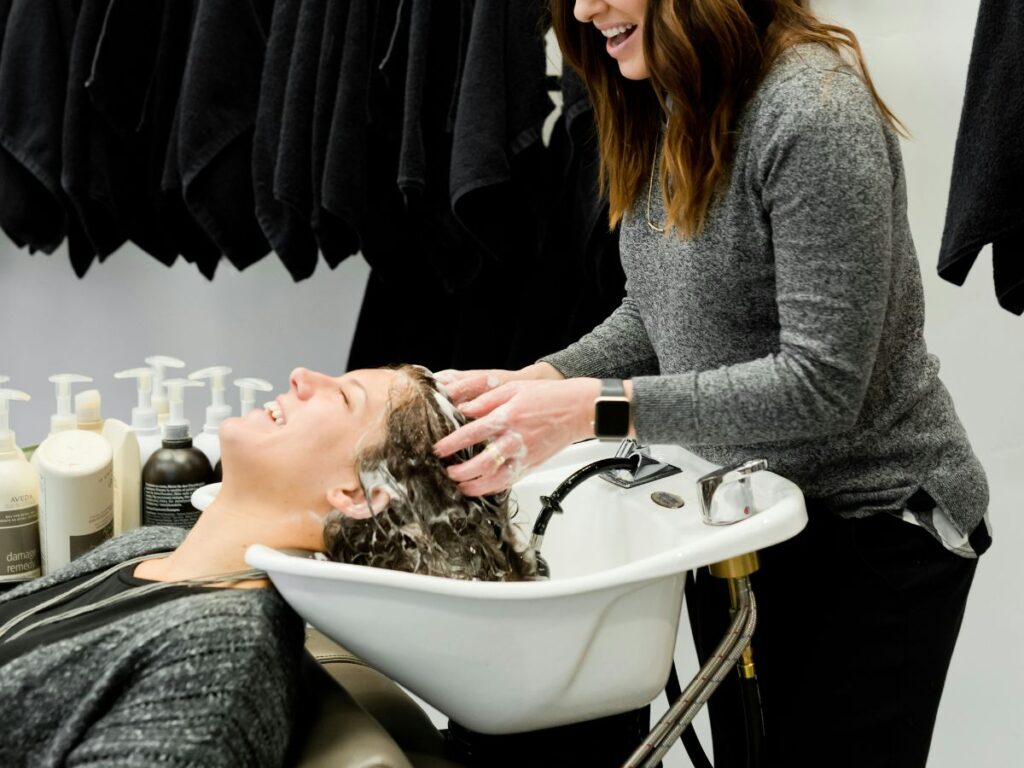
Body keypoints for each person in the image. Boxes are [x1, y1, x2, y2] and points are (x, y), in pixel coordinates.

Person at [433, 2, 991, 766]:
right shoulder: (670, 96)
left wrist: (589, 411)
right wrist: (534, 384)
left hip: (876, 532)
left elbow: (823, 384)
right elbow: (656, 314)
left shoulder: (811, 110)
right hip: (752, 514)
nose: (585, 9)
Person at [0, 365, 534, 768]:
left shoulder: (217, 655)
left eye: (344, 397)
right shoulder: (151, 546)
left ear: (356, 493)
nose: (302, 376)